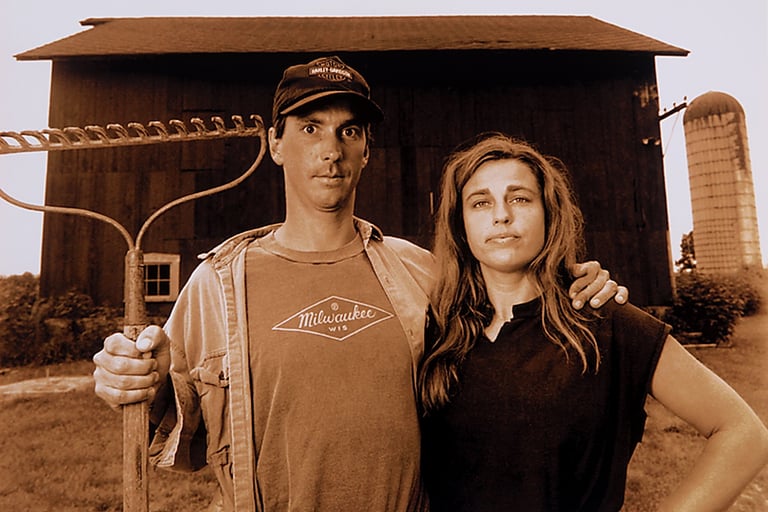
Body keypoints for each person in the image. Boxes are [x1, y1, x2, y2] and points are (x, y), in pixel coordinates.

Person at [92, 57, 625, 512]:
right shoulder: (218, 283)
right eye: (310, 128)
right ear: (275, 143)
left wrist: (578, 283)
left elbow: (517, 320)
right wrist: (139, 382)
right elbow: (179, 422)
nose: (332, 149)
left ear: (367, 149)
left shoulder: (419, 272)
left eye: (349, 131)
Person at [418, 132, 768, 512]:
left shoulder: (605, 321)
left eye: (519, 198)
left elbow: (743, 434)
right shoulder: (437, 331)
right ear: (460, 225)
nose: (501, 215)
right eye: (480, 202)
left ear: (549, 214)